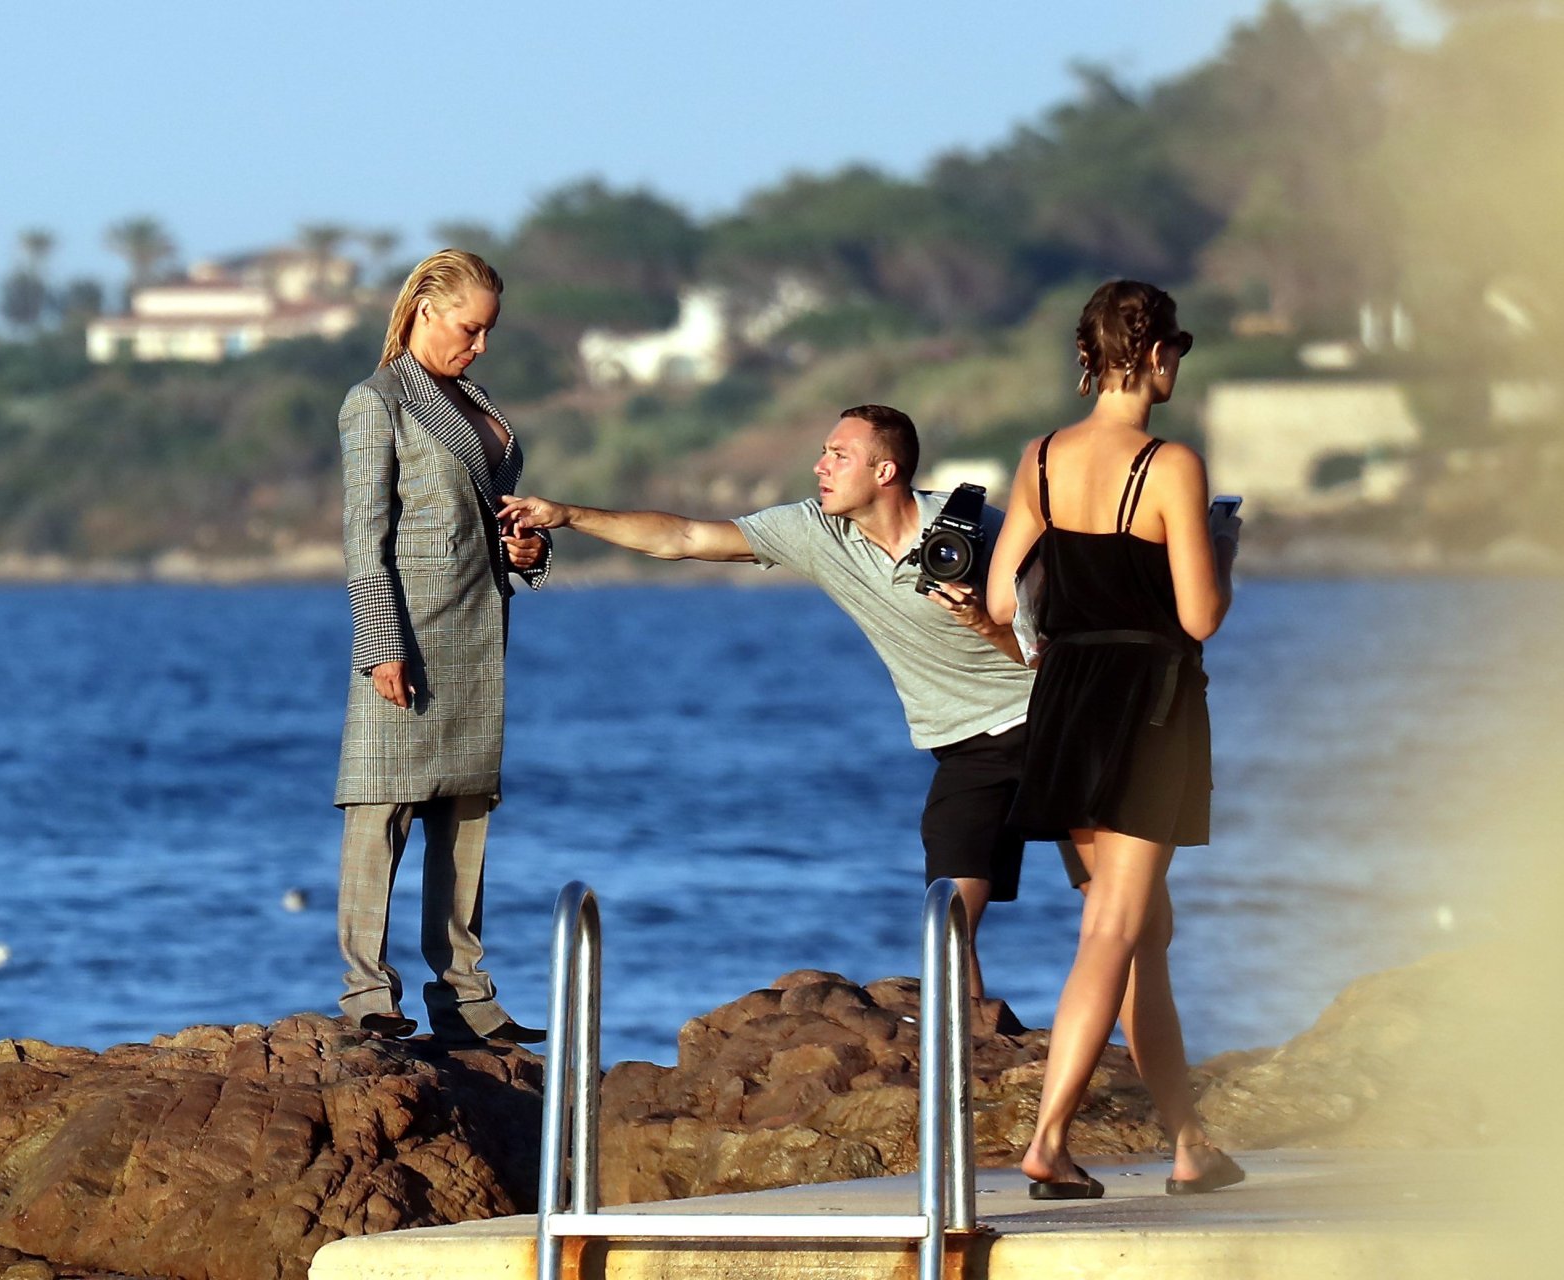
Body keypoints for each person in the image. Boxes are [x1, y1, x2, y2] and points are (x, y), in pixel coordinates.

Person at [501, 405, 1077, 1026]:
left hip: (1056, 722)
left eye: (839, 455)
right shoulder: (815, 530)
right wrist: (568, 515)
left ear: (885, 471)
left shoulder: (975, 529)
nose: (820, 466)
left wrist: (980, 619)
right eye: (824, 452)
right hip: (967, 744)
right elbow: (685, 539)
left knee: (1114, 907)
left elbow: (1053, 646)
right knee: (949, 919)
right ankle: (967, 1054)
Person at [985, 279, 1245, 1199]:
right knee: (1113, 927)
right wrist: (1219, 554)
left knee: (1142, 932)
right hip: (1147, 702)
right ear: (1158, 355)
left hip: (1066, 696)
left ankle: (1188, 1144)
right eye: (1176, 356)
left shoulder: (1040, 457)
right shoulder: (1169, 465)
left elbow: (998, 597)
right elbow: (1199, 616)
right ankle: (1048, 1139)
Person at [334, 249, 550, 1045]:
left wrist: (529, 552)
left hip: (478, 628)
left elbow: (490, 513)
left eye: (489, 331)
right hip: (410, 631)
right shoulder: (376, 401)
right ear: (427, 309)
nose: (480, 345)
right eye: (470, 329)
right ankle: (366, 993)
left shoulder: (475, 400)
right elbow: (365, 538)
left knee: (465, 812)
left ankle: (465, 997)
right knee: (379, 810)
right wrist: (380, 644)